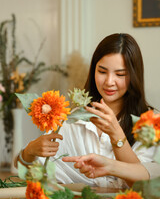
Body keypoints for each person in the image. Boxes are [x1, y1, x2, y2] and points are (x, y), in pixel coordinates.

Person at [15, 33, 157, 188]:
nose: (109, 82)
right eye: (102, 72)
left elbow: (144, 185)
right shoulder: (73, 121)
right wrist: (29, 151)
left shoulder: (151, 124)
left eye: (120, 74)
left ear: (134, 76)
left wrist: (117, 135)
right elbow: (26, 170)